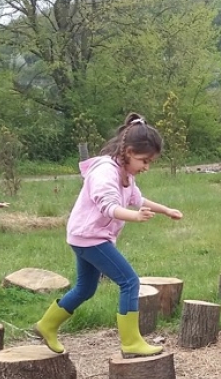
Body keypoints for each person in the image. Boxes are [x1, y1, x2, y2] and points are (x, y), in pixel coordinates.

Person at [32, 113, 183, 356]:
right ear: (130, 151)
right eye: (144, 160)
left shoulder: (126, 173)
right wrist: (134, 217)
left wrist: (165, 210)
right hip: (91, 237)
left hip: (87, 235)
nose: (146, 167)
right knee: (129, 281)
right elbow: (107, 206)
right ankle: (131, 342)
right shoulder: (105, 172)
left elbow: (137, 199)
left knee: (85, 288)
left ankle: (47, 325)